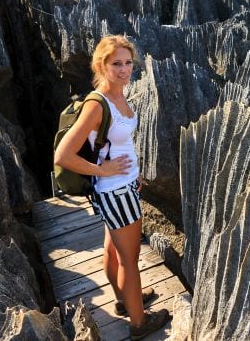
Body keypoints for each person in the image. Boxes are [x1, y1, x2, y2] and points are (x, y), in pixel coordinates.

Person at [54, 35, 170, 340]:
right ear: (101, 65)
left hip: (123, 186)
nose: (124, 69)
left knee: (113, 249)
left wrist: (134, 175)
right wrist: (101, 170)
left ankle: (124, 300)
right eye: (116, 63)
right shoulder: (97, 104)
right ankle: (138, 322)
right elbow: (62, 155)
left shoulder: (120, 95)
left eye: (128, 62)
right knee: (130, 259)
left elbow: (119, 142)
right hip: (114, 191)